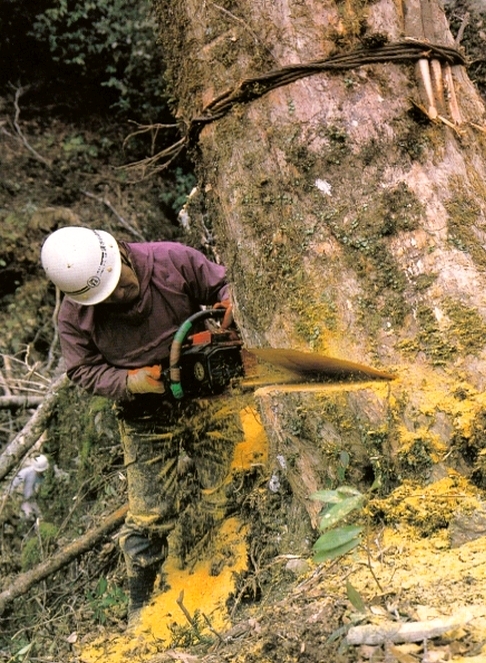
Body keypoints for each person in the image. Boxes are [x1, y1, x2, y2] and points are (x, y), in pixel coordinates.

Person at [40, 226, 240, 621]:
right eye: (106, 297)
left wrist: (228, 307)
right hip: (144, 412)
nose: (116, 296)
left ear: (120, 255)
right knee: (150, 514)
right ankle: (140, 608)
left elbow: (221, 284)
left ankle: (232, 576)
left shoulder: (171, 260)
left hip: (208, 390)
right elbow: (82, 369)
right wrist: (128, 382)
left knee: (227, 486)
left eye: (118, 286)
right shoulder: (75, 316)